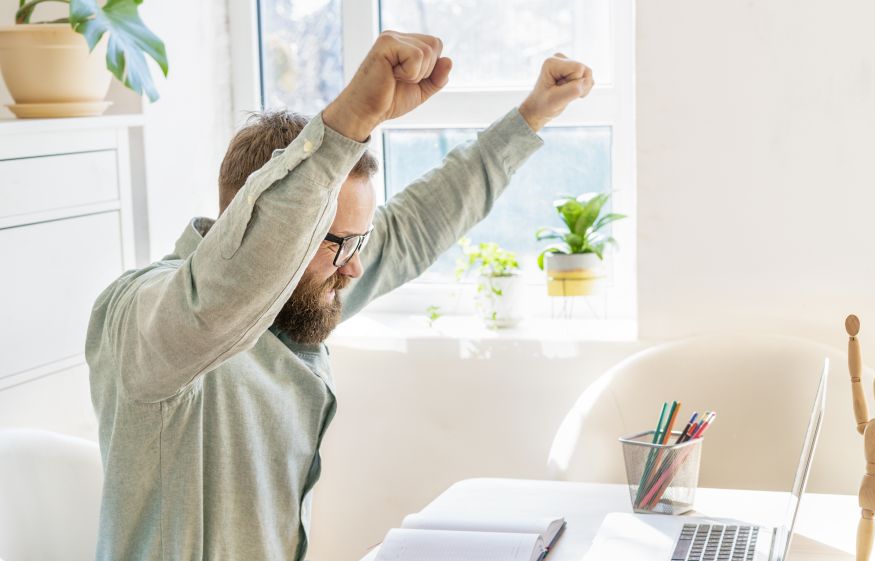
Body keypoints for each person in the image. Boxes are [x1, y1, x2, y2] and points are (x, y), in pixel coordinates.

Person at [85, 31, 593, 561]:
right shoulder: (143, 318)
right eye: (337, 243)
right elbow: (222, 297)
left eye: (359, 241)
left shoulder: (304, 290)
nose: (353, 265)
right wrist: (347, 122)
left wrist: (530, 117)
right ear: (257, 220)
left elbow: (414, 227)